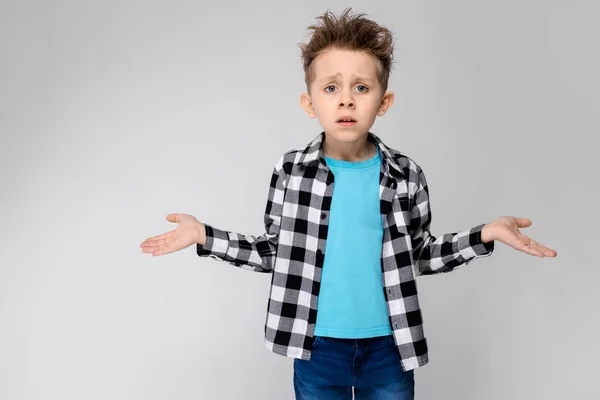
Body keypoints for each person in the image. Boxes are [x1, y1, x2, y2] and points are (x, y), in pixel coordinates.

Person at [140, 7, 557, 400]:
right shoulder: (291, 172)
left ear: (384, 102)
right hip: (317, 346)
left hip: (390, 348)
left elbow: (420, 255)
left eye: (361, 87)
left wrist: (486, 234)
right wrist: (204, 236)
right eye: (331, 88)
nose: (346, 100)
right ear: (310, 103)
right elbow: (275, 251)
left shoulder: (405, 174)